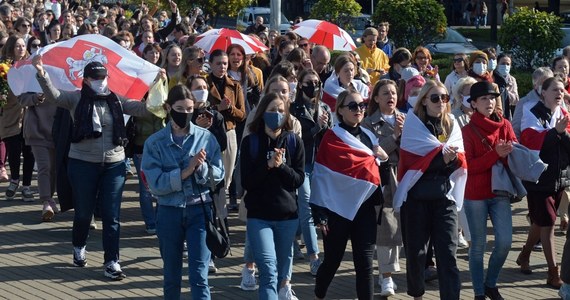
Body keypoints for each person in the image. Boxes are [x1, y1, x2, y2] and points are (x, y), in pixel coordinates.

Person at [33, 57, 152, 280]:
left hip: (114, 163)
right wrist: (42, 73)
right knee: (84, 214)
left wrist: (158, 95)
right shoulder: (75, 99)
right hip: (82, 163)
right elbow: (54, 96)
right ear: (86, 80)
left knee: (111, 215)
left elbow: (141, 108)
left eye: (103, 77)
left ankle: (112, 262)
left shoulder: (115, 98)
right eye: (95, 78)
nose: (100, 81)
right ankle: (79, 245)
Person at [141, 84, 224, 299]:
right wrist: (186, 171)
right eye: (180, 108)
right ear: (168, 108)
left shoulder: (206, 137)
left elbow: (219, 174)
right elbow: (156, 184)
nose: (185, 114)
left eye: (189, 109)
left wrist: (202, 167)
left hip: (200, 211)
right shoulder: (155, 143)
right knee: (171, 275)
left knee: (199, 274)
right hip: (169, 211)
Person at [311, 90, 388, 300]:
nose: (359, 110)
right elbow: (321, 177)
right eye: (353, 106)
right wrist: (319, 213)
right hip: (337, 210)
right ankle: (319, 294)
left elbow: (378, 177)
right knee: (332, 261)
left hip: (364, 209)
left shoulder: (369, 136)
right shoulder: (331, 137)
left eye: (362, 105)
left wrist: (385, 161)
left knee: (364, 264)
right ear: (340, 110)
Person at [393, 80, 467, 300]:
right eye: (435, 98)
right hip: (417, 198)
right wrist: (441, 159)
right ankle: (417, 295)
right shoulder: (413, 125)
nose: (441, 102)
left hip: (444, 197)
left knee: (448, 254)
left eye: (445, 98)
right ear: (424, 101)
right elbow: (411, 162)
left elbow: (461, 160)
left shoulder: (452, 124)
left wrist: (450, 160)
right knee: (416, 254)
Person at [240, 92, 305, 300]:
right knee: (268, 271)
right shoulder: (251, 142)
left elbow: (297, 180)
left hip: (287, 217)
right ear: (262, 113)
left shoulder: (294, 142)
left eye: (280, 110)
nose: (276, 114)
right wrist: (267, 166)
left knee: (281, 274)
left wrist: (281, 166)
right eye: (271, 110)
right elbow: (247, 182)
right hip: (259, 217)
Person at [462, 81, 517, 300]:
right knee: (478, 245)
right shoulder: (467, 131)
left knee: (505, 243)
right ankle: (478, 292)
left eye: (493, 98)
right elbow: (468, 166)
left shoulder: (505, 124)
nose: (490, 102)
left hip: (500, 192)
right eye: (484, 98)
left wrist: (509, 153)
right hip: (475, 194)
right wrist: (495, 154)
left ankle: (490, 283)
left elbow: (515, 156)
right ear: (474, 104)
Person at [518, 76, 570, 288]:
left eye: (562, 90)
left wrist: (561, 134)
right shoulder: (531, 112)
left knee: (540, 222)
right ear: (543, 92)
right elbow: (530, 142)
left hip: (560, 177)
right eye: (555, 90)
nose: (560, 94)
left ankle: (524, 254)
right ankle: (553, 273)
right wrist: (554, 133)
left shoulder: (564, 113)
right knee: (548, 223)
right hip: (538, 178)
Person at [362, 79, 405, 297]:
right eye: (385, 93)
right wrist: (396, 136)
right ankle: (386, 276)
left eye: (394, 93)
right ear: (376, 98)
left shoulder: (407, 119)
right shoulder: (368, 123)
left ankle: (387, 271)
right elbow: (374, 150)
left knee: (400, 226)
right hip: (384, 177)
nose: (390, 96)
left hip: (406, 176)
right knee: (386, 227)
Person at [290, 69, 332, 275]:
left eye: (316, 82)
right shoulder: (294, 109)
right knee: (306, 207)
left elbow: (329, 138)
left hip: (321, 165)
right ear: (300, 84)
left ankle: (293, 239)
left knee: (309, 208)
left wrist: (325, 127)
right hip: (302, 164)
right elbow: (296, 139)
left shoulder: (324, 107)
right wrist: (317, 127)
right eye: (309, 82)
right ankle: (314, 257)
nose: (313, 85)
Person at [1, 35, 35, 202]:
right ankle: (14, 179)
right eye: (17, 46)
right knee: (14, 150)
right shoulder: (4, 68)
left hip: (29, 114)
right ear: (11, 48)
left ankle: (27, 186)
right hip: (11, 114)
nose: (21, 48)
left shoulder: (31, 66)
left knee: (29, 151)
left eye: (23, 45)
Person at [512, 67, 553, 140]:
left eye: (550, 83)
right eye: (544, 83)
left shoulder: (558, 100)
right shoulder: (524, 102)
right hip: (530, 148)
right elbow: (515, 130)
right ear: (535, 85)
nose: (547, 86)